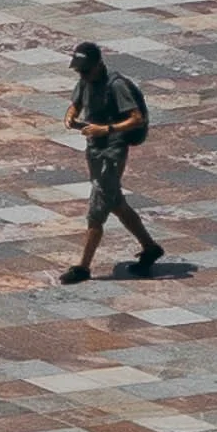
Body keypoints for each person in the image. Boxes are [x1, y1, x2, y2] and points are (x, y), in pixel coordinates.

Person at [61, 39, 163, 282]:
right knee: (115, 201)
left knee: (98, 207)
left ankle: (83, 267)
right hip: (94, 149)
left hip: (112, 150)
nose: (82, 75)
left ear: (98, 65)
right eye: (79, 71)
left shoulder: (116, 86)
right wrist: (71, 118)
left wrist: (106, 129)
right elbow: (74, 105)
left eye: (85, 70)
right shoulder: (85, 82)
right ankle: (150, 248)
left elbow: (136, 118)